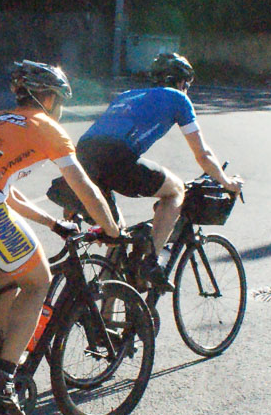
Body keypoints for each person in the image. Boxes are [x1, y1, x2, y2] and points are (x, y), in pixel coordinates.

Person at [0, 60, 121, 415]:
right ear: (48, 98)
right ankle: (3, 376)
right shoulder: (46, 127)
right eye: (60, 100)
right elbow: (82, 186)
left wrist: (51, 222)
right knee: (38, 280)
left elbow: (4, 191)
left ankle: (3, 352)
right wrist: (110, 228)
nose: (60, 108)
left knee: (10, 273)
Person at [74, 51, 243, 286]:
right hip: (116, 158)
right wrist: (227, 182)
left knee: (117, 234)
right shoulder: (178, 98)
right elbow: (202, 154)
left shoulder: (127, 95)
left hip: (81, 159)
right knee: (176, 190)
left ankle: (106, 298)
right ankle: (150, 262)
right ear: (182, 82)